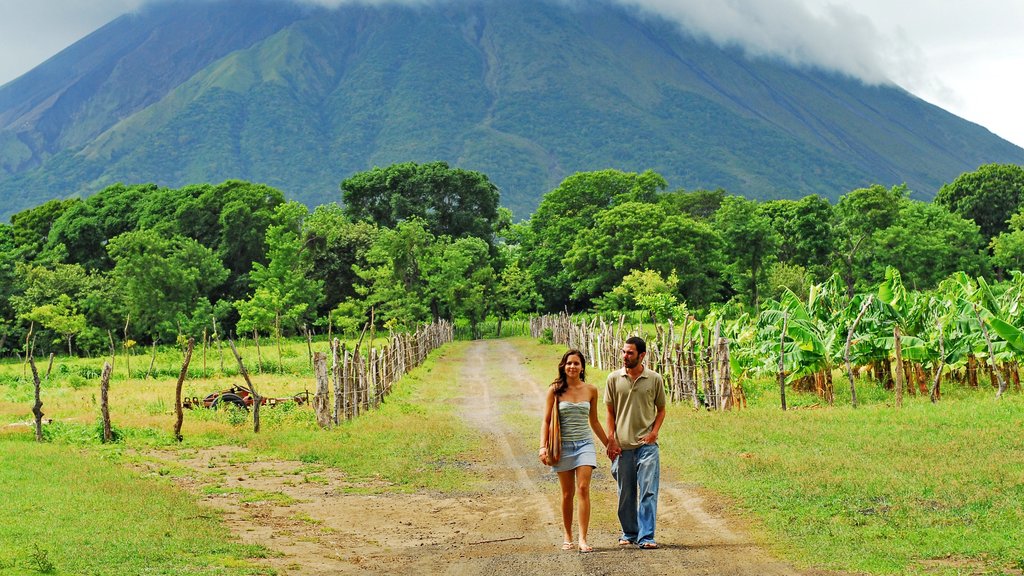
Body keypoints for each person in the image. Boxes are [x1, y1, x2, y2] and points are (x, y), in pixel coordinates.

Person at [538, 349, 609, 553]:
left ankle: (583, 539)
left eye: (576, 363)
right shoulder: (555, 390)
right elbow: (546, 421)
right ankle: (568, 535)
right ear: (563, 365)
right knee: (567, 493)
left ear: (582, 367)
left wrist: (608, 445)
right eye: (569, 363)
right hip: (562, 446)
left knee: (583, 488)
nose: (572, 367)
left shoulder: (591, 390)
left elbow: (594, 421)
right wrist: (543, 447)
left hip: (585, 444)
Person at [605, 336, 666, 549]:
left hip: (646, 447)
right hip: (622, 448)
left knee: (648, 490)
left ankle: (647, 536)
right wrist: (611, 439)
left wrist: (654, 433)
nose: (625, 356)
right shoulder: (613, 378)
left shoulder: (654, 379)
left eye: (630, 353)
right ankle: (630, 532)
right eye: (623, 352)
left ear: (642, 355)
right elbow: (610, 412)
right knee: (626, 493)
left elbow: (661, 410)